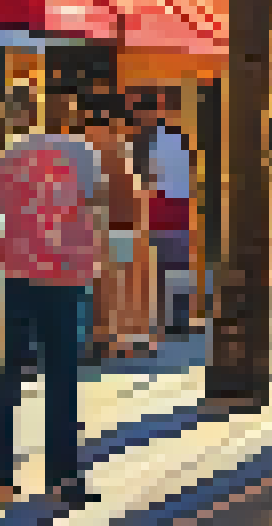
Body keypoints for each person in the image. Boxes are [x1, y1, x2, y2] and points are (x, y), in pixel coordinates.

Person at [0, 116, 106, 508]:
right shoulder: (82, 154)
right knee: (62, 377)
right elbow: (97, 206)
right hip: (65, 274)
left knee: (7, 375)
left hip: (15, 272)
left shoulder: (7, 156)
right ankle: (62, 478)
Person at [82, 95, 147, 360]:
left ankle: (103, 339)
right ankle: (118, 339)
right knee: (119, 287)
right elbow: (134, 191)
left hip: (98, 225)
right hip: (123, 225)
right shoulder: (121, 147)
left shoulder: (87, 147)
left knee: (101, 288)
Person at [142, 88, 195, 336]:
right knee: (178, 266)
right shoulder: (183, 139)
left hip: (160, 206)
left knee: (160, 266)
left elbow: (151, 178)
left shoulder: (155, 141)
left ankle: (162, 319)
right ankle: (179, 318)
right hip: (180, 206)